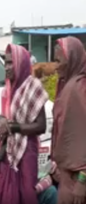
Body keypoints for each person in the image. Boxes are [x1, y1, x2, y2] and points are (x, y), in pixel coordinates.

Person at [0, 44, 48, 204]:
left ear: (21, 63)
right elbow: (4, 118)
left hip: (27, 150)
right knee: (7, 192)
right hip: (9, 150)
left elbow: (41, 126)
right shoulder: (7, 90)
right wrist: (1, 120)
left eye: (11, 63)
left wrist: (14, 127)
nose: (7, 67)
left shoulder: (33, 86)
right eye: (6, 63)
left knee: (26, 194)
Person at [51, 36, 86, 204]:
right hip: (67, 175)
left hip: (77, 180)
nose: (56, 66)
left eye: (59, 61)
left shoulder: (79, 89)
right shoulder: (67, 84)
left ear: (72, 59)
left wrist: (82, 180)